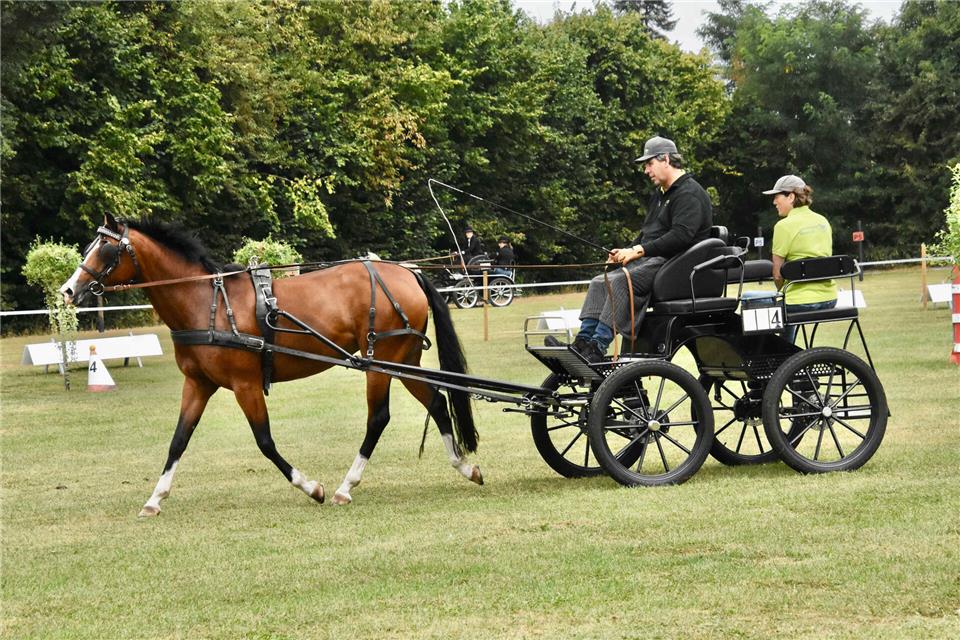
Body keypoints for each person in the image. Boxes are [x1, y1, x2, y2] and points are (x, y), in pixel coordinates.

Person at [548, 136, 713, 362]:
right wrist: (624, 251)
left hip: (676, 264)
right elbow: (649, 233)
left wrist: (637, 251)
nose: (646, 170)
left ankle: (598, 346)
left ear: (665, 159)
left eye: (649, 164)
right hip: (654, 260)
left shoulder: (689, 193)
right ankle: (582, 343)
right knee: (600, 280)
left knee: (619, 281)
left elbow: (681, 236)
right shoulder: (661, 195)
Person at [764, 174, 837, 342]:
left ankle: (782, 354)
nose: (774, 202)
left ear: (791, 196)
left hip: (798, 302)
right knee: (786, 300)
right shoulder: (823, 221)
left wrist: (782, 290)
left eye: (777, 197)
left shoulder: (783, 226)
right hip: (829, 298)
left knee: (750, 299)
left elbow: (777, 275)